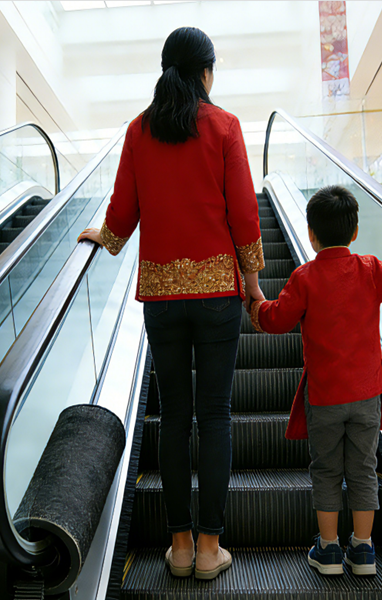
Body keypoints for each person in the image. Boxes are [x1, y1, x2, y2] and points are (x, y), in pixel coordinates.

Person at [78, 27, 264, 580]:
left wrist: (104, 238)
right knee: (215, 416)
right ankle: (210, 549)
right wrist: (253, 284)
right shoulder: (224, 126)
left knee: (175, 418)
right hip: (217, 296)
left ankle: (179, 545)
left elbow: (123, 211)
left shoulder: (140, 129)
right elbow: (244, 216)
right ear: (206, 72)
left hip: (161, 295)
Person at [249, 185, 382, 577]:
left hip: (325, 397)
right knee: (363, 469)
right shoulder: (369, 269)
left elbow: (276, 319)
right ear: (355, 230)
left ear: (311, 234)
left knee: (326, 470)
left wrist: (255, 302)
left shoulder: (304, 277)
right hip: (366, 395)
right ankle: (363, 552)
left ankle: (328, 551)